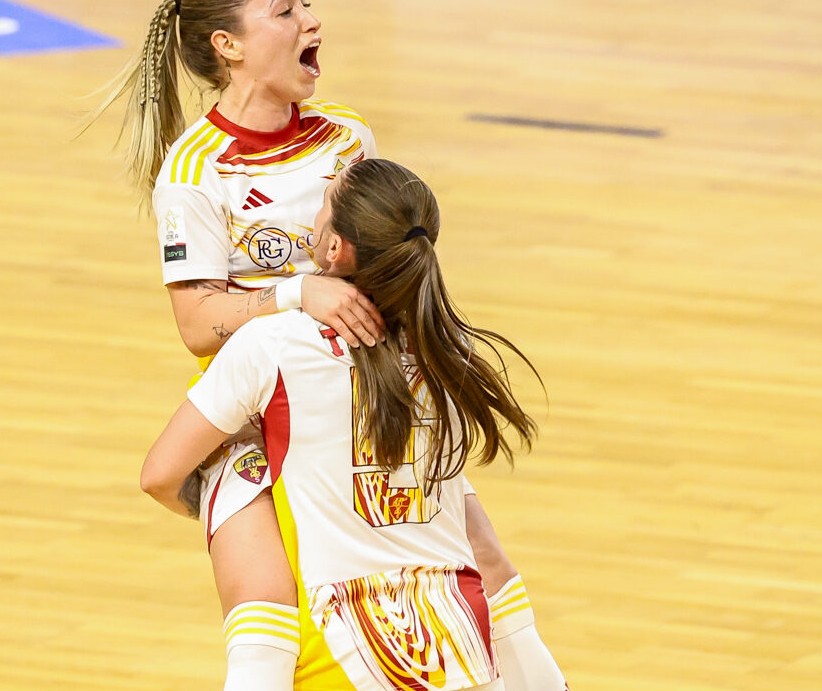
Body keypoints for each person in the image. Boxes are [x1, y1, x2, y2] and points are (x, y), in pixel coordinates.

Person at [91, 0, 564, 690]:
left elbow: (388, 260)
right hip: (248, 410)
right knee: (264, 609)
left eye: (305, 5)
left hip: (361, 386)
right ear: (230, 44)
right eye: (285, 10)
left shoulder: (348, 140)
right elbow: (195, 324)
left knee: (482, 553)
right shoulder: (194, 172)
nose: (311, 21)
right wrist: (295, 296)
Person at [143, 158, 559, 691]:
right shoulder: (445, 348)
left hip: (351, 653)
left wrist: (241, 516)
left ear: (334, 249)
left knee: (234, 467)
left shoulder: (271, 345)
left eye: (322, 202)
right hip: (463, 647)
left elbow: (160, 475)